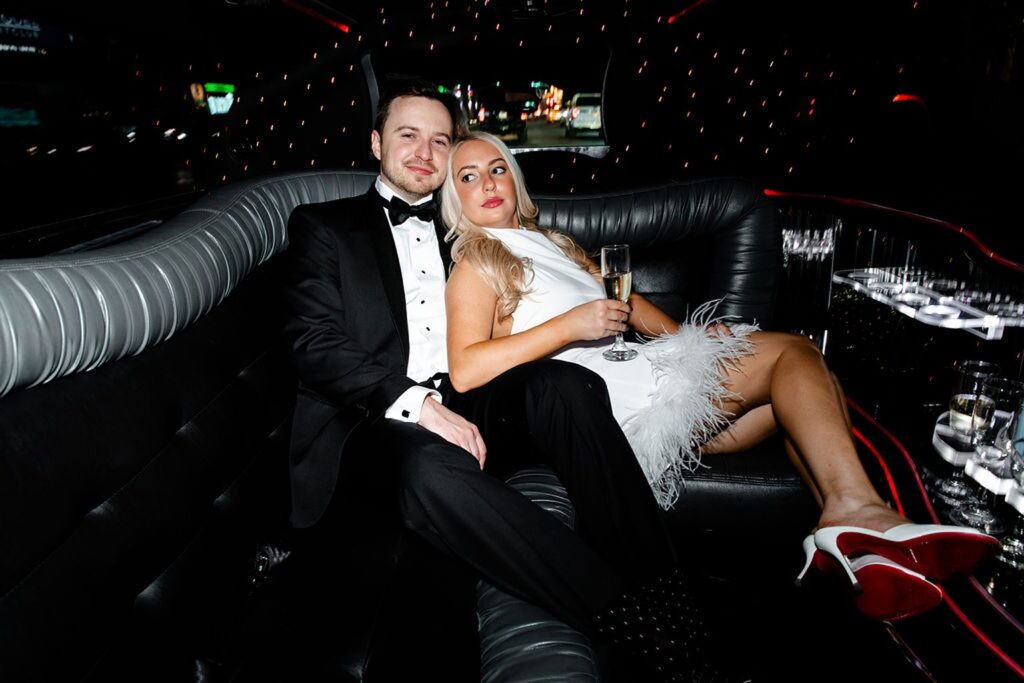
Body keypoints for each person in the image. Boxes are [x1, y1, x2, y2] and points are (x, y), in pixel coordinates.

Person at [441, 131, 1000, 623]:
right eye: (469, 176)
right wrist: (569, 324)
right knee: (793, 355)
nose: (488, 182)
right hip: (609, 405)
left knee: (798, 391)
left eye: (497, 169)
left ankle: (846, 537)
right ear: (456, 198)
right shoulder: (478, 262)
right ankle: (856, 510)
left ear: (515, 181)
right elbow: (466, 370)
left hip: (647, 376)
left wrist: (691, 340)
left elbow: (629, 304)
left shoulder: (556, 245)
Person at [282, 83, 731, 682]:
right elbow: (314, 344)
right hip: (370, 421)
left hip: (473, 399)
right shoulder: (324, 226)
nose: (423, 151)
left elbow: (532, 286)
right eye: (406, 135)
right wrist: (417, 404)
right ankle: (652, 632)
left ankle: (663, 588)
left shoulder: (469, 230)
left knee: (564, 385)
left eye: (439, 140)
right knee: (427, 467)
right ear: (375, 142)